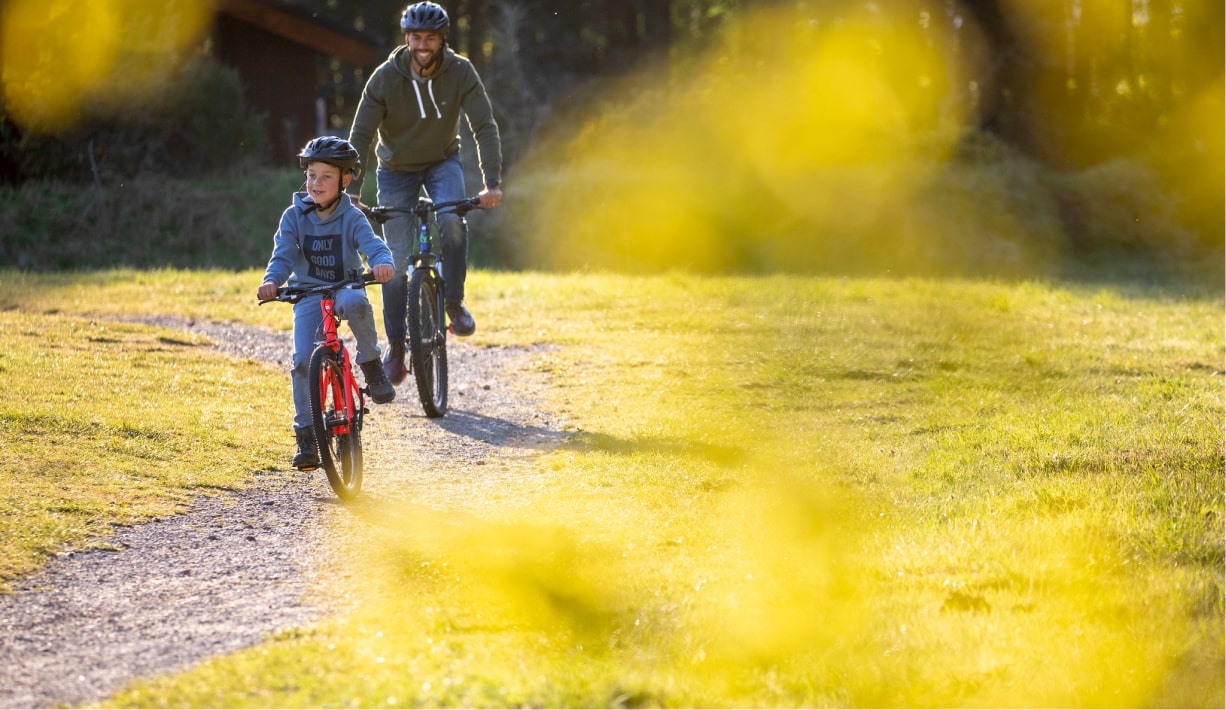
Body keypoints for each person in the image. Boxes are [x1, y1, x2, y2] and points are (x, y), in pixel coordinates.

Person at [348, 0, 503, 386]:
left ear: (442, 40)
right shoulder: (384, 79)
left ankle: (453, 303)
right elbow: (362, 136)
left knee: (452, 219)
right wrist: (349, 188)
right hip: (395, 169)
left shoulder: (461, 71)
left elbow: (483, 124)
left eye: (430, 38)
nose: (422, 45)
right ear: (407, 39)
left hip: (442, 162)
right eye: (416, 37)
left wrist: (492, 182)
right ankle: (397, 349)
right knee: (394, 262)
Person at [258, 136, 397, 471]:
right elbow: (283, 256)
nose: (316, 183)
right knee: (303, 361)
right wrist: (272, 281)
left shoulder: (352, 216)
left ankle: (371, 365)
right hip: (307, 293)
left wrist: (382, 262)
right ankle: (306, 435)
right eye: (311, 175)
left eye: (326, 177)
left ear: (345, 181)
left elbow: (372, 245)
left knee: (358, 305)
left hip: (346, 286)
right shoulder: (294, 216)